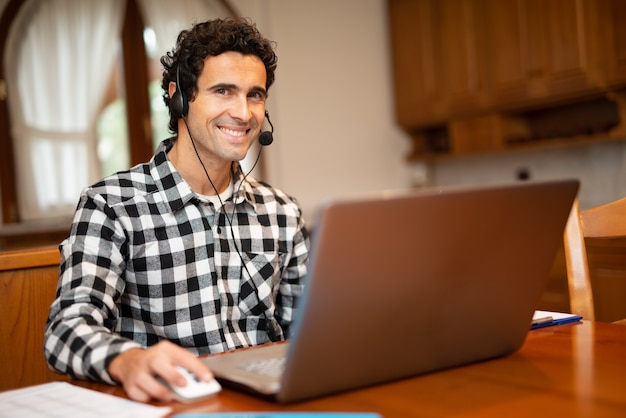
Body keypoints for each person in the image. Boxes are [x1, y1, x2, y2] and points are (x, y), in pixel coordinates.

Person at [44, 18, 309, 403]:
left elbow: (307, 332)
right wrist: (129, 361)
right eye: (223, 91)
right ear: (178, 96)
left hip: (267, 404)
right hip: (174, 404)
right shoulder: (111, 205)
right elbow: (65, 331)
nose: (244, 112)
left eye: (255, 95)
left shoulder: (282, 210)